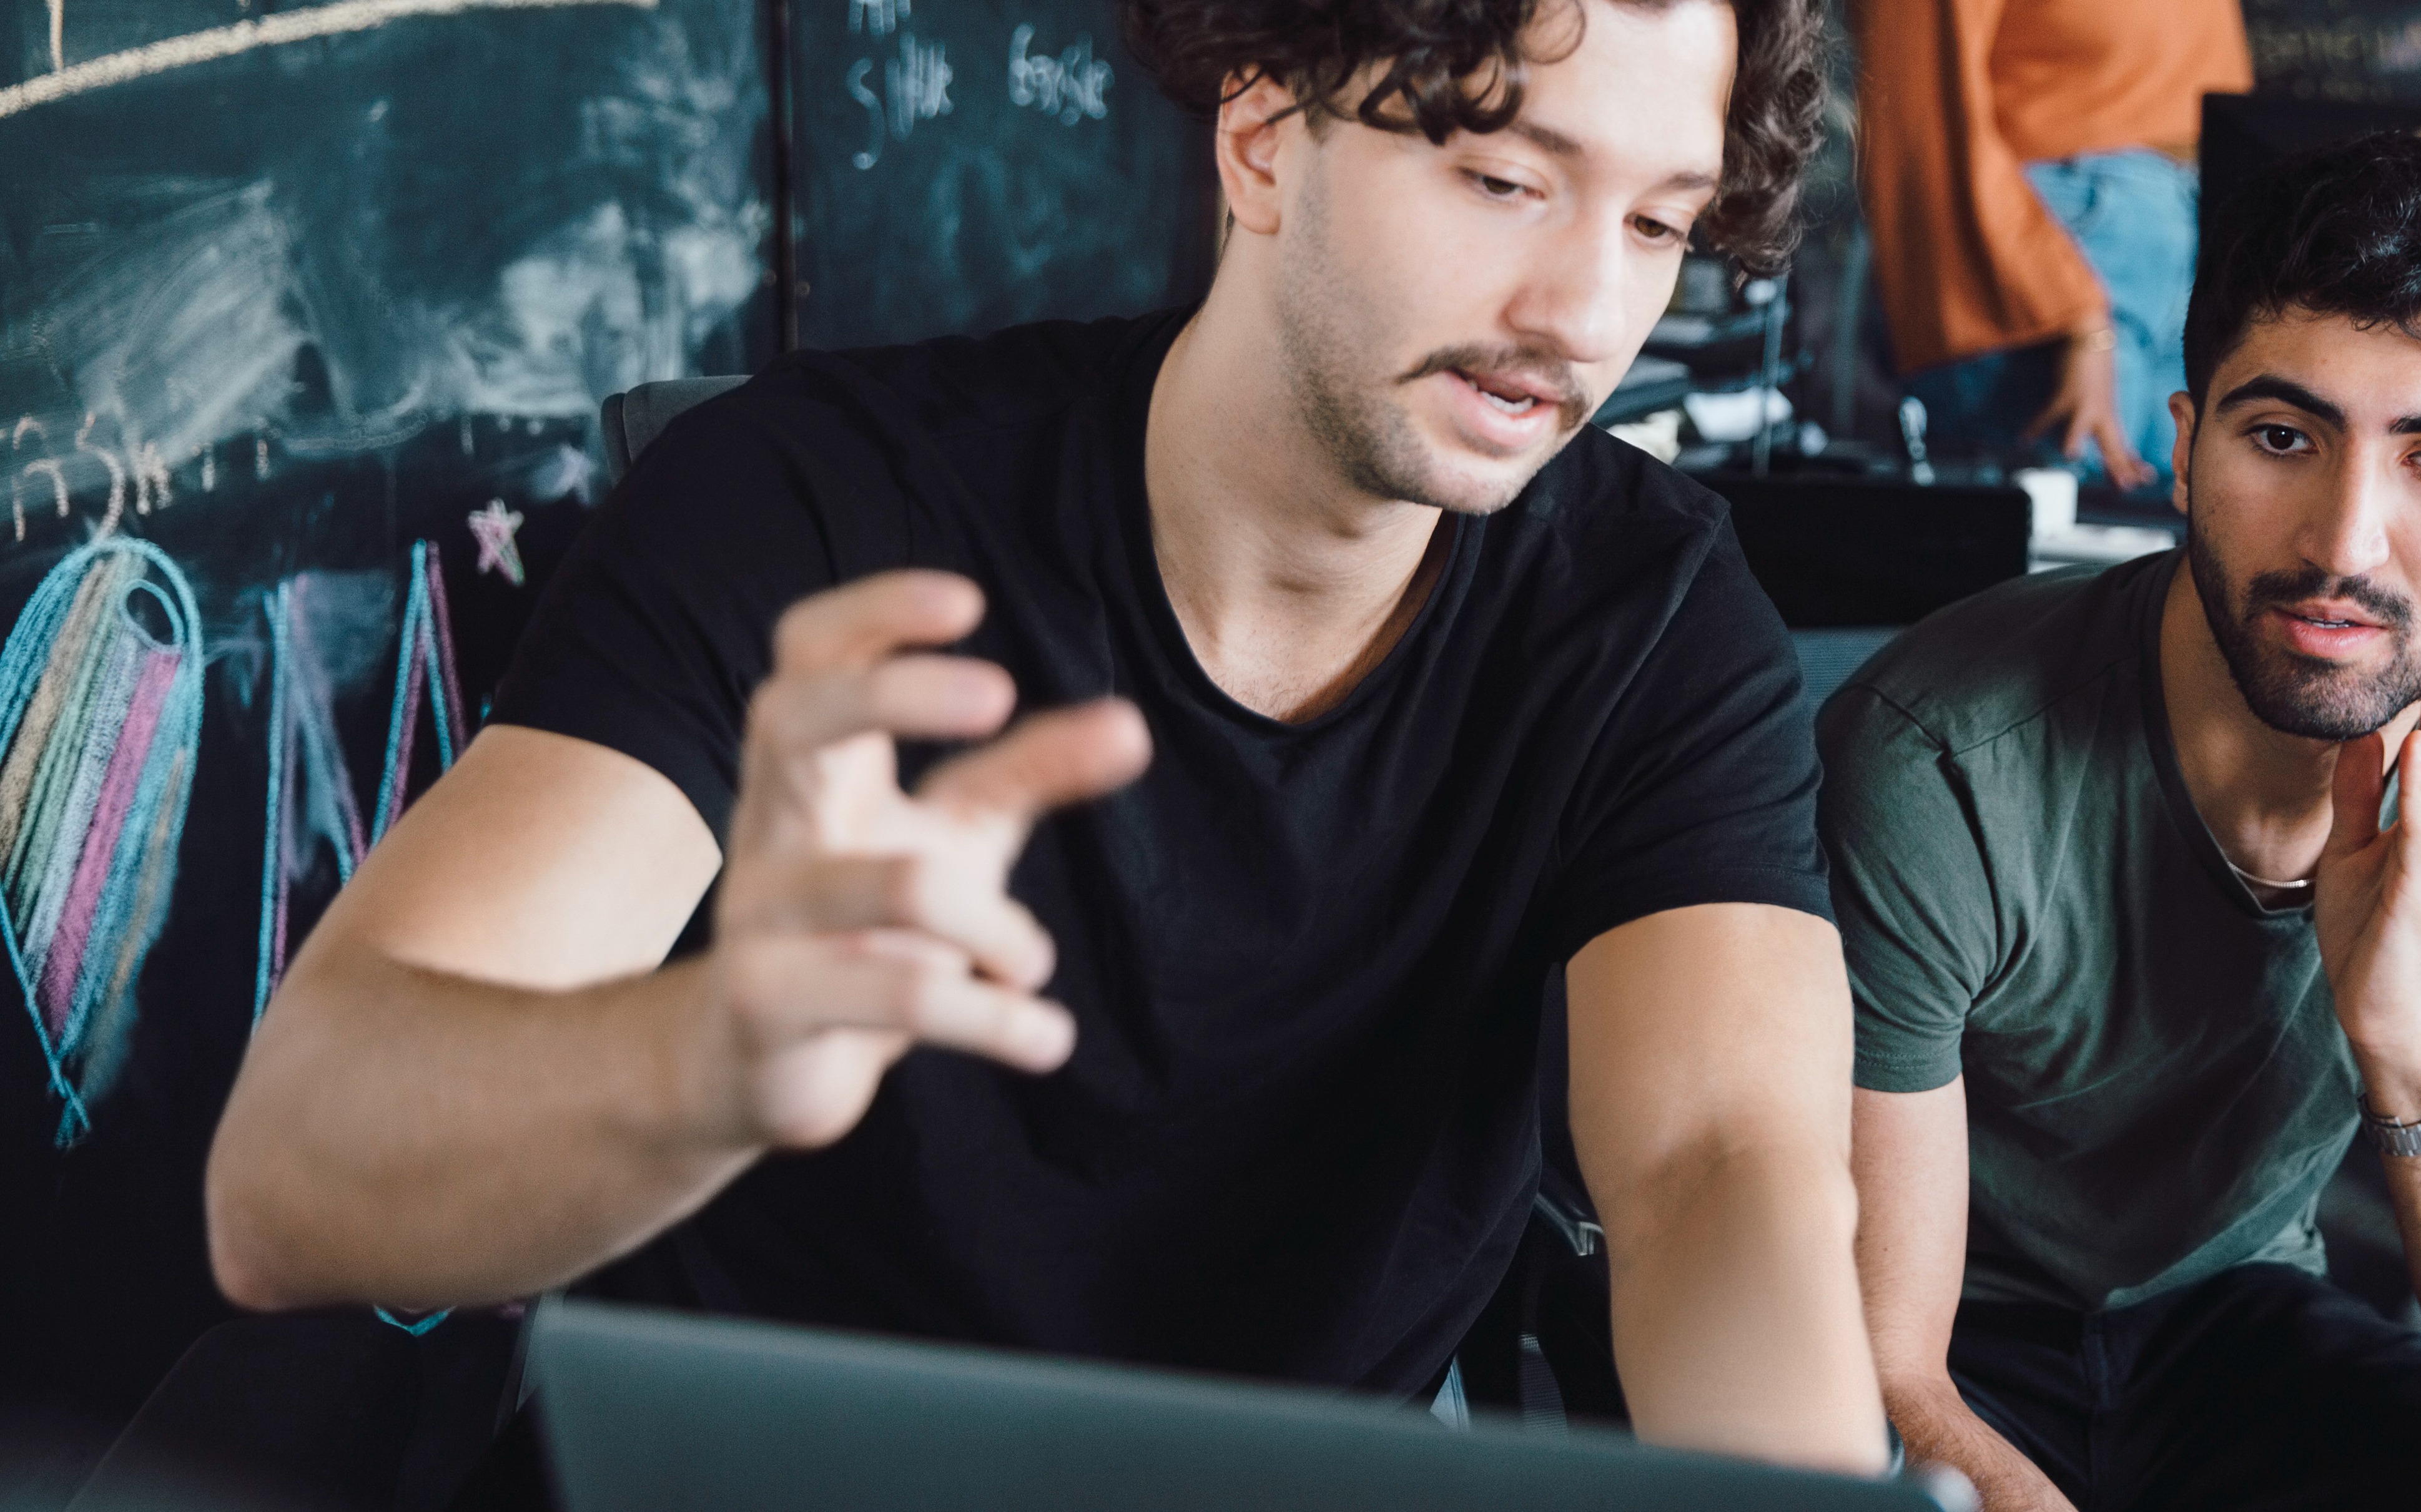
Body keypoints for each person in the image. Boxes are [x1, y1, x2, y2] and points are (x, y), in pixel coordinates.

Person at [204, 0, 1890, 1473]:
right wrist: (706, 1057)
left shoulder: (1646, 611)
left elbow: (1713, 1166)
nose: (1586, 311)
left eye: (1659, 225)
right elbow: (288, 1182)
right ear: (1262, 139)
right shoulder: (814, 506)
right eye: (1506, 179)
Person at [1829, 132, 2421, 1512]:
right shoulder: (1940, 755)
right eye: (2283, 437)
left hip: (2227, 1318)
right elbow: (1882, 1373)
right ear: (2183, 449)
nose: (2346, 543)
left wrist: (2413, 1050)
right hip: (1959, 1335)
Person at [1852, 0, 2252, 494]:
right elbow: (1922, 111)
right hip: (2059, 254)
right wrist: (2070, 310)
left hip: (2202, 225)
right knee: (2064, 536)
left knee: (2172, 536)